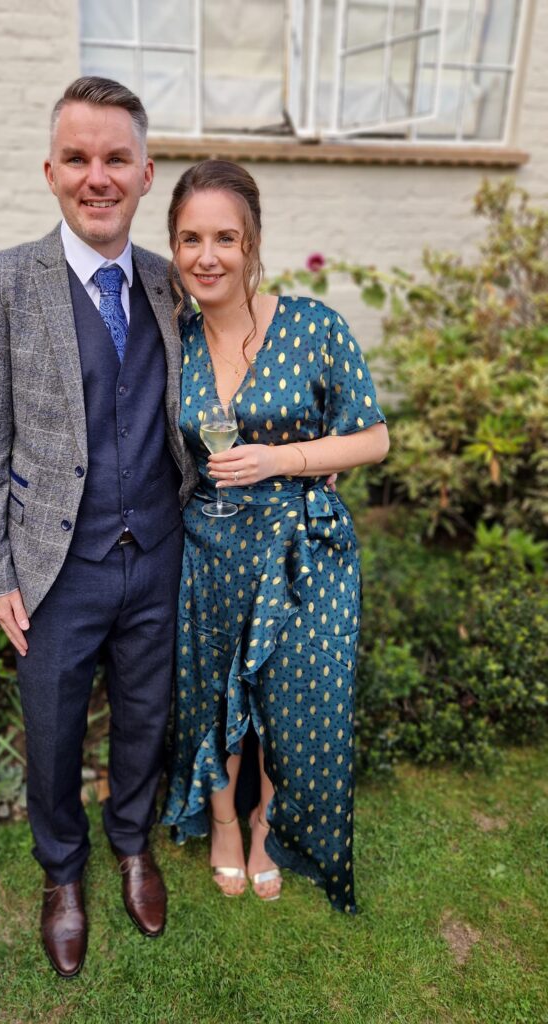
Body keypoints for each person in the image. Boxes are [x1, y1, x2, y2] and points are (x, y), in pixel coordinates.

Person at [0, 77, 197, 978]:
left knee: (144, 718)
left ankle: (131, 843)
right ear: (51, 170)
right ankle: (62, 872)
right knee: (55, 733)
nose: (98, 177)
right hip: (54, 565)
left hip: (160, 553)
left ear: (145, 174)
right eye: (78, 158)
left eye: (116, 159)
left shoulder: (173, 281)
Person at [161, 160, 389, 911]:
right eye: (190, 239)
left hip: (301, 549)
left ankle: (266, 825)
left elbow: (373, 438)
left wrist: (283, 459)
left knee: (288, 697)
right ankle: (223, 823)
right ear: (174, 245)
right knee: (212, 694)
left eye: (225, 238)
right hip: (210, 547)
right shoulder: (176, 338)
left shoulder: (313, 326)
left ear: (252, 242)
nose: (207, 256)